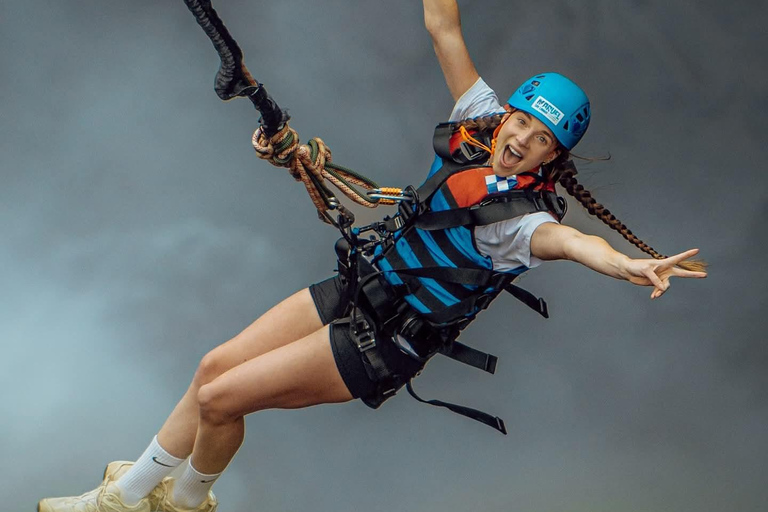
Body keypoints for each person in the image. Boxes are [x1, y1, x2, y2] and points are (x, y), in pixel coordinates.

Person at [38, 1, 707, 511]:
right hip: (365, 286)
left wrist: (628, 264)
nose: (521, 138)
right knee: (212, 365)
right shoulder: (482, 120)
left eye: (539, 139)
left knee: (220, 400)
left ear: (552, 158)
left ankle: (181, 506)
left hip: (386, 341)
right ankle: (122, 499)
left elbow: (574, 243)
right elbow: (442, 24)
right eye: (522, 121)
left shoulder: (521, 220)